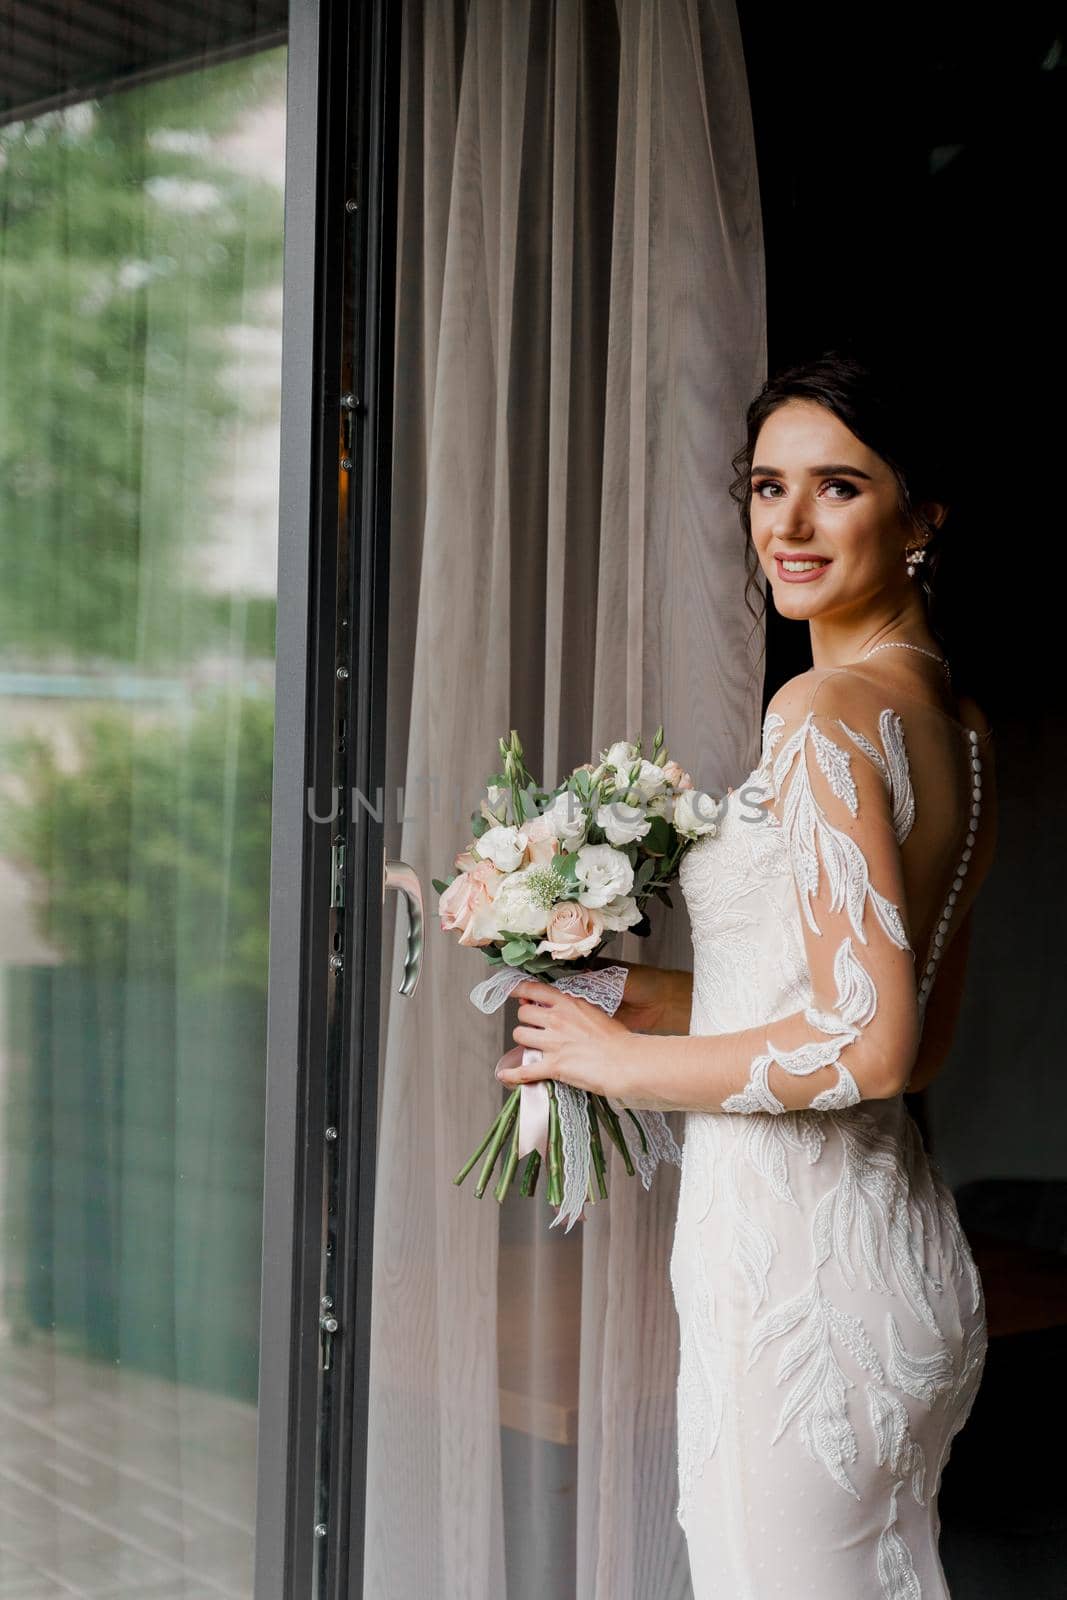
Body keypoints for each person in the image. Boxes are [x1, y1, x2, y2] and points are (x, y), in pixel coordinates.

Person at [498, 350, 996, 1598]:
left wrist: (619, 1063)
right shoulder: (958, 726)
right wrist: (600, 992)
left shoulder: (823, 712)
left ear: (920, 516)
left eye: (837, 486)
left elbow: (869, 1045)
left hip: (794, 1280)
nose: (787, 522)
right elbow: (906, 1027)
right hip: (900, 1260)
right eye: (766, 486)